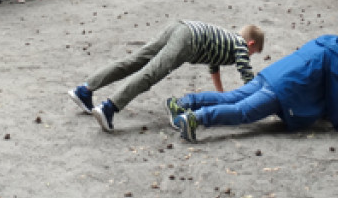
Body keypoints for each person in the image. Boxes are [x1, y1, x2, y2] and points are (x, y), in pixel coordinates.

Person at [167, 35, 338, 143]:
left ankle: (184, 103)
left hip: (271, 74)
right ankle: (196, 119)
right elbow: (337, 95)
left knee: (231, 97)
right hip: (282, 90)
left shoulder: (328, 46)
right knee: (242, 112)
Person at [68, 20, 262, 132]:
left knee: (135, 60)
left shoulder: (226, 40)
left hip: (181, 26)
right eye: (254, 52)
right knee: (152, 73)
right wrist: (255, 101)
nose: (249, 55)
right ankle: (109, 108)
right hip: (188, 41)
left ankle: (85, 90)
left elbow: (214, 67)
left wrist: (222, 96)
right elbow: (247, 77)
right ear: (251, 44)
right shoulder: (240, 46)